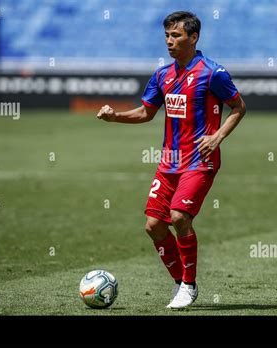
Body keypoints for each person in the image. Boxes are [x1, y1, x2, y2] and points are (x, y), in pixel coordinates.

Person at [97, 11, 246, 309]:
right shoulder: (162, 75)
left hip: (199, 162)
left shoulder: (213, 73)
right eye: (167, 35)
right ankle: (182, 282)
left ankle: (188, 286)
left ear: (193, 38)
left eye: (176, 36)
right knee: (154, 226)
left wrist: (217, 137)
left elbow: (239, 107)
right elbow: (145, 112)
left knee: (179, 217)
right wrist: (115, 117)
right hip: (169, 164)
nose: (169, 41)